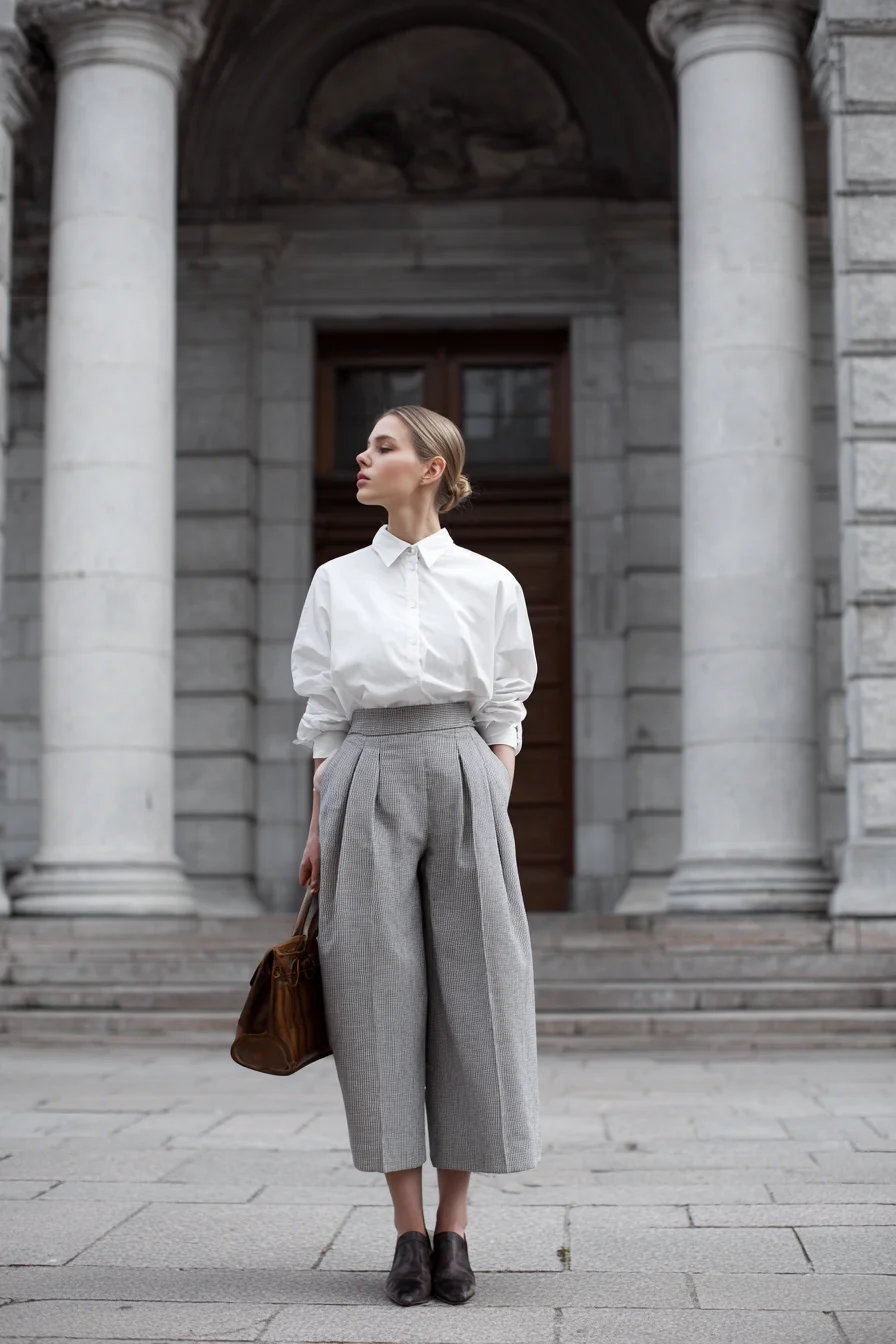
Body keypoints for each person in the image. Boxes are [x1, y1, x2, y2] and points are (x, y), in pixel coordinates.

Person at [291, 404, 541, 1307]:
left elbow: (505, 701)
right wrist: (320, 824)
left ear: (431, 467)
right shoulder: (336, 581)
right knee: (373, 992)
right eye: (366, 447)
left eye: (383, 447)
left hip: (465, 768)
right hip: (364, 768)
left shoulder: (489, 582)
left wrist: (494, 795)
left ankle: (456, 1231)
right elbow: (323, 711)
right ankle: (405, 1232)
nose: (363, 457)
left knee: (478, 987)